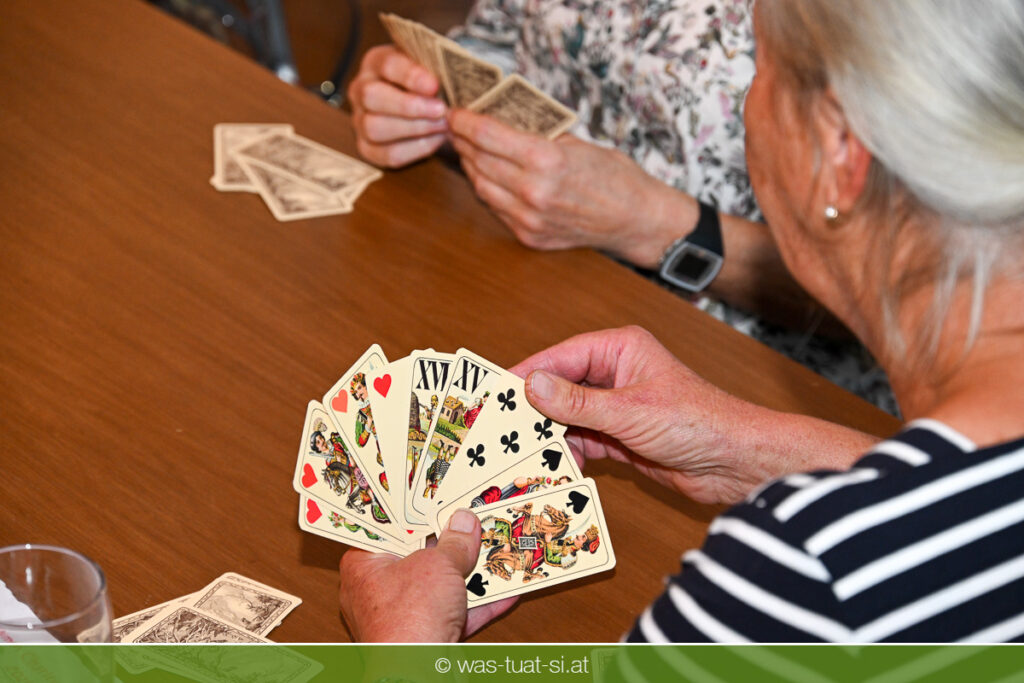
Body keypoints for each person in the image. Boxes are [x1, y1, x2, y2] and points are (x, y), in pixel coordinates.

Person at [337, 0, 1024, 642]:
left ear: (840, 154)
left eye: (763, 68)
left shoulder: (800, 577)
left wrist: (403, 648)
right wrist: (748, 446)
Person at [346, 0, 899, 412]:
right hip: (520, 290)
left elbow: (899, 285)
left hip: (756, 385)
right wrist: (419, 105)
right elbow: (492, 53)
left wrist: (654, 225)